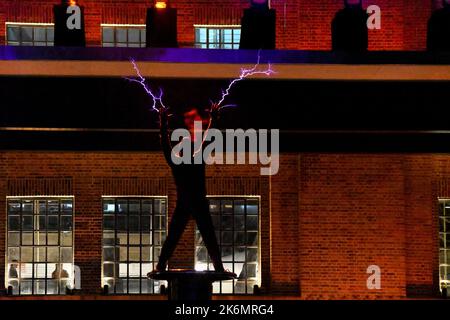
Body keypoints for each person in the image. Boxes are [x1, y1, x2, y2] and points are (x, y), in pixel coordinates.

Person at [155, 103, 225, 272]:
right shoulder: (197, 159)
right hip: (198, 202)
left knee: (173, 236)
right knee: (209, 237)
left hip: (184, 203)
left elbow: (165, 144)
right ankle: (218, 267)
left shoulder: (176, 163)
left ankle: (160, 265)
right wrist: (214, 119)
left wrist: (163, 124)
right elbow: (209, 138)